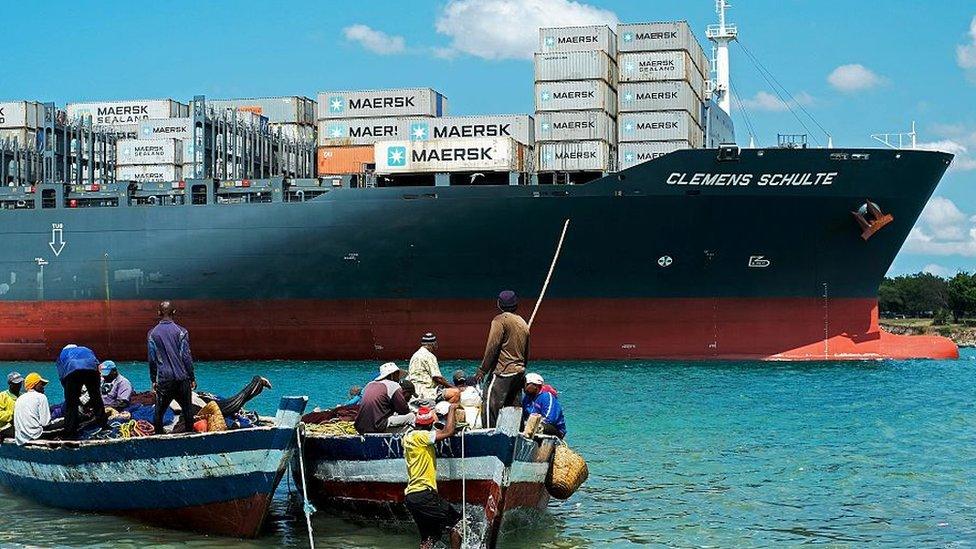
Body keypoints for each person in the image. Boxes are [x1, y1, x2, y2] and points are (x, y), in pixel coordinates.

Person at [403, 404, 462, 549]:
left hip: (411, 497)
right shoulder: (422, 437)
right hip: (424, 494)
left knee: (429, 538)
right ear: (429, 425)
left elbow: (439, 431)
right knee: (458, 524)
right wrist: (452, 410)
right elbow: (448, 432)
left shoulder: (408, 437)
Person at [473, 290, 530, 428]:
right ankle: (515, 436)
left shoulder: (499, 320)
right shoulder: (523, 323)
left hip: (503, 371)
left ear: (499, 303)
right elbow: (526, 351)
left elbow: (492, 346)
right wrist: (522, 369)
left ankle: (489, 436)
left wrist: (482, 369)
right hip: (519, 372)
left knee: (489, 405)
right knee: (514, 407)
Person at [148, 301, 195, 434]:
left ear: (158, 313)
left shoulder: (152, 334)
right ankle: (190, 437)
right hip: (182, 378)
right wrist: (192, 377)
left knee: (159, 413)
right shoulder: (182, 332)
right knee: (187, 411)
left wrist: (153, 379)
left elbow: (152, 360)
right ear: (174, 312)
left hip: (164, 379)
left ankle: (158, 438)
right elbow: (186, 357)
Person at [57, 344, 108, 438]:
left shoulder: (62, 354)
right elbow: (96, 363)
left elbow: (62, 376)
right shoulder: (86, 349)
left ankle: (70, 433)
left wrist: (69, 392)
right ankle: (104, 425)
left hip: (72, 371)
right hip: (92, 370)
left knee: (71, 404)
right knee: (96, 398)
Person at [354, 362, 414, 434]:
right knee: (411, 417)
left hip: (360, 427)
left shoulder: (369, 385)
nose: (398, 378)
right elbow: (403, 410)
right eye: (397, 374)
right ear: (392, 374)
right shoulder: (394, 385)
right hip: (378, 426)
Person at [407, 333, 455, 404]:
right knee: (455, 393)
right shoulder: (430, 356)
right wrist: (453, 387)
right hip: (426, 391)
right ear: (431, 344)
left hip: (414, 391)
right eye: (435, 343)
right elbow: (437, 378)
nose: (436, 345)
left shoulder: (415, 355)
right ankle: (442, 411)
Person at [521, 373, 566, 438]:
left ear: (535, 386)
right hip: (531, 426)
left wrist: (531, 423)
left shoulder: (546, 396)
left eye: (526, 384)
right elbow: (523, 414)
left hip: (553, 429)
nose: (524, 387)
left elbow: (550, 419)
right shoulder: (527, 397)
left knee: (536, 426)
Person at [13, 373, 51, 445]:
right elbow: (45, 423)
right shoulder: (41, 397)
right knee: (65, 421)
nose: (43, 387)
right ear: (34, 384)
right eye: (41, 384)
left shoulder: (20, 398)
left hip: (20, 437)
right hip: (35, 435)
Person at [0, 372, 23, 438]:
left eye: (20, 383)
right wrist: (12, 416)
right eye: (16, 383)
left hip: (19, 426)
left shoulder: (23, 396)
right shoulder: (2, 396)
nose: (18, 385)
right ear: (10, 383)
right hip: (4, 428)